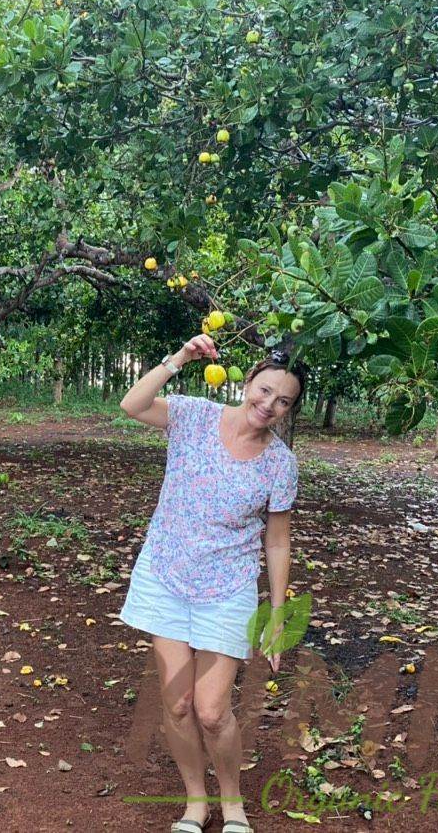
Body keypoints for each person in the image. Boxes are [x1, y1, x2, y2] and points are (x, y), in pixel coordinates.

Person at [118, 334, 306, 833]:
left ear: (289, 409)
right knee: (177, 703)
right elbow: (132, 404)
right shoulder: (195, 416)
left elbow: (278, 543)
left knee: (212, 710)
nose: (269, 405)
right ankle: (195, 804)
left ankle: (233, 803)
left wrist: (278, 613)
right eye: (264, 391)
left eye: (283, 400)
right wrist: (178, 358)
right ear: (248, 384)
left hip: (227, 589)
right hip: (166, 577)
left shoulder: (280, 464)